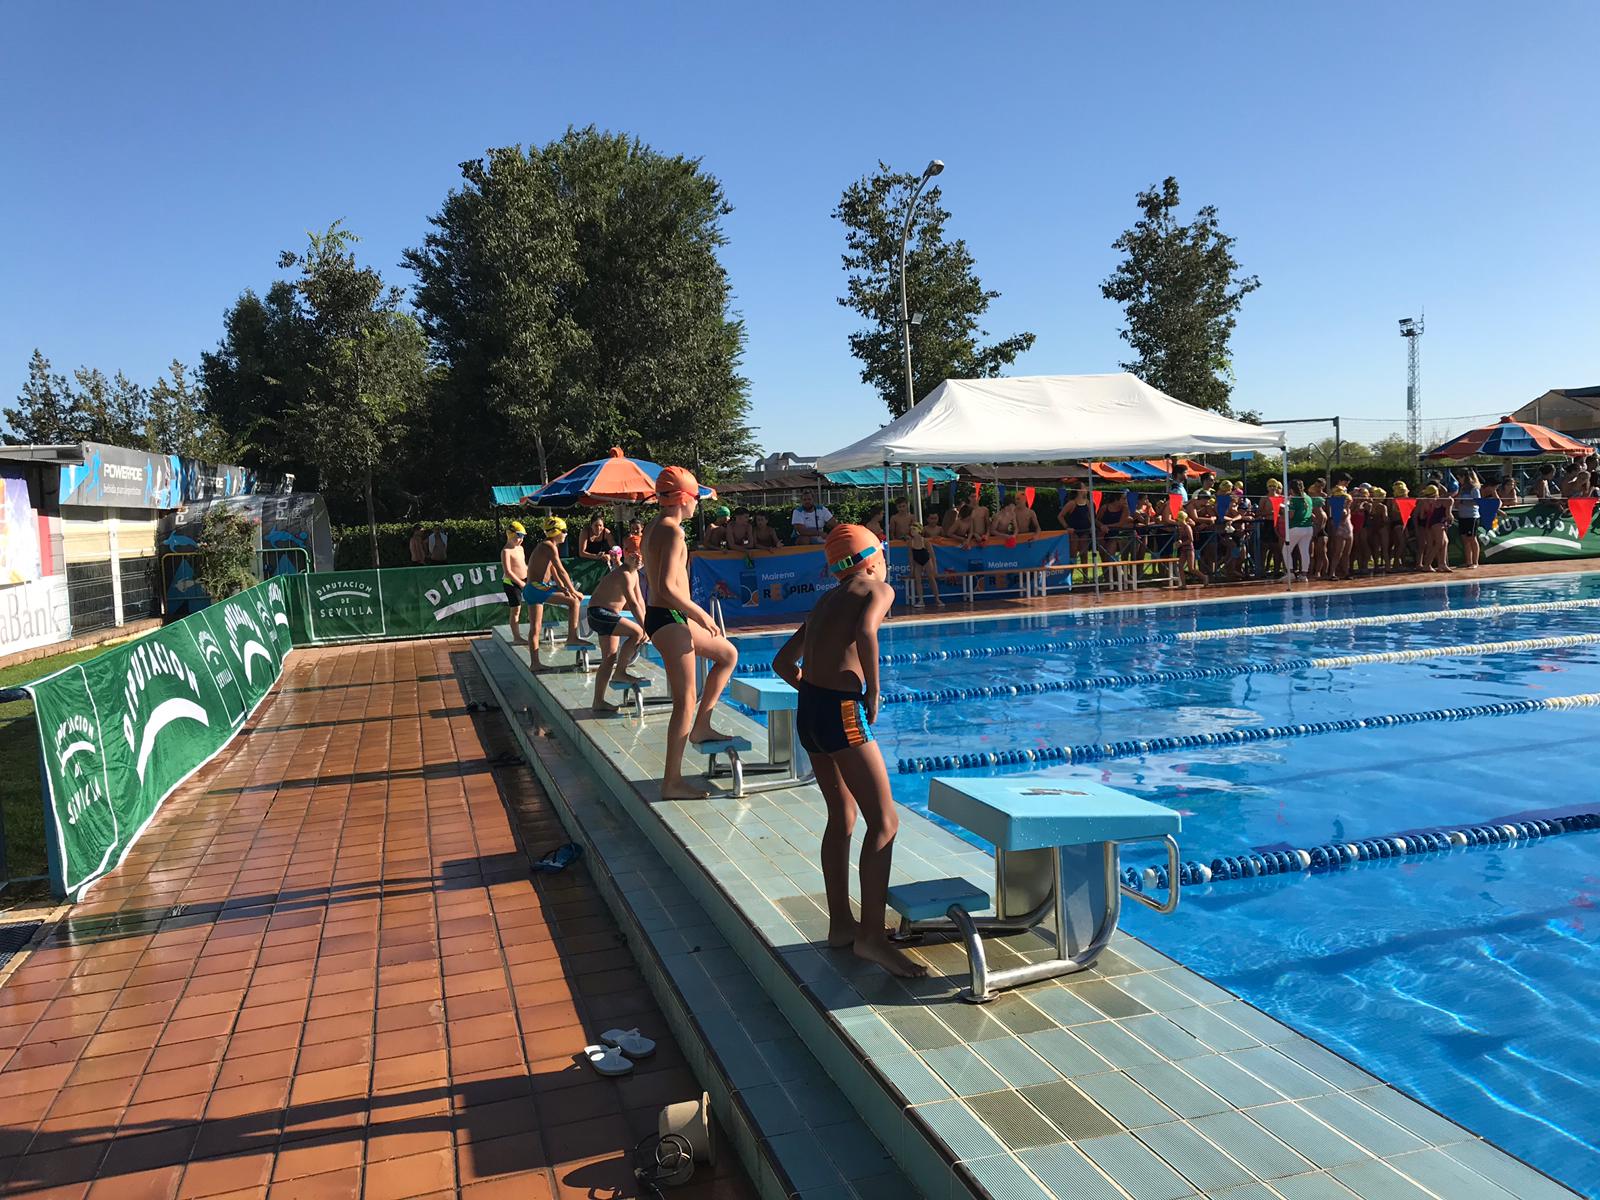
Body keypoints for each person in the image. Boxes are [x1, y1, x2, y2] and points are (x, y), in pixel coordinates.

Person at [770, 525, 926, 979]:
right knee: (885, 822)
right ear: (872, 558)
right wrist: (871, 691)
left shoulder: (826, 600)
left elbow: (783, 663)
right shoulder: (877, 588)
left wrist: (815, 692)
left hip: (810, 711)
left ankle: (841, 924)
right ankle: (871, 938)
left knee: (842, 817)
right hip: (840, 711)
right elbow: (866, 630)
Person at [643, 467, 740, 800]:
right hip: (670, 618)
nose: (698, 503)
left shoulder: (654, 526)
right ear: (684, 498)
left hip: (665, 617)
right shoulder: (672, 532)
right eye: (696, 497)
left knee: (727, 654)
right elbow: (666, 587)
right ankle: (671, 782)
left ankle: (701, 727)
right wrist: (699, 613)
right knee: (684, 701)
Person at [587, 538, 648, 714]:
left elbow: (640, 601)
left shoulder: (634, 574)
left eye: (641, 554)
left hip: (605, 615)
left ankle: (598, 701)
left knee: (609, 657)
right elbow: (633, 603)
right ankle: (620, 672)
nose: (638, 558)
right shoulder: (624, 574)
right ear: (625, 554)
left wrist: (648, 622)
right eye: (634, 554)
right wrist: (645, 627)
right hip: (599, 614)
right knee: (637, 633)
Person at [523, 518, 590, 668]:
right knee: (574, 602)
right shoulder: (549, 546)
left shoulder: (545, 546)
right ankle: (572, 638)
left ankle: (535, 663)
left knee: (535, 628)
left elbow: (553, 570)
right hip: (537, 587)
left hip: (531, 588)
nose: (566, 534)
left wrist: (563, 587)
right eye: (564, 531)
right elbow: (561, 570)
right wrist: (573, 591)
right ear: (556, 532)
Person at [501, 522, 530, 643]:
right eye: (519, 536)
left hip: (525, 580)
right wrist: (520, 583)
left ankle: (533, 631)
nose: (521, 539)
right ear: (510, 535)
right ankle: (516, 637)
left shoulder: (520, 548)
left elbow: (523, 565)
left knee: (534, 605)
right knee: (516, 610)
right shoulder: (506, 551)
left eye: (523, 536)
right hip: (511, 583)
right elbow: (508, 572)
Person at [905, 522, 942, 607]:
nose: (912, 531)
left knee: (931, 579)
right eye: (911, 529)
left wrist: (935, 568)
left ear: (919, 531)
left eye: (914, 529)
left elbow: (932, 556)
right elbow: (910, 556)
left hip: (926, 561)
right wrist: (911, 569)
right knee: (918, 580)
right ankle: (921, 600)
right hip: (917, 562)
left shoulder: (925, 541)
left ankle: (937, 599)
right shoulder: (910, 542)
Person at [1285, 480, 1313, 581]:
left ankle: (1291, 573)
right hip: (1308, 527)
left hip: (1296, 527)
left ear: (1291, 489)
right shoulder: (1308, 498)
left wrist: (1284, 509)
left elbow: (1291, 515)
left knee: (1286, 550)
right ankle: (1304, 575)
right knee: (1304, 551)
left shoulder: (1293, 499)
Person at [1456, 468, 1483, 569]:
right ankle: (1468, 561)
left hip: (1472, 516)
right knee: (1464, 539)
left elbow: (1477, 501)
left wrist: (1463, 502)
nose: (1459, 480)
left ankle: (1475, 562)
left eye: (1460, 477)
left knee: (1472, 538)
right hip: (1462, 516)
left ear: (1464, 477)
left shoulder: (1474, 488)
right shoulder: (1462, 488)